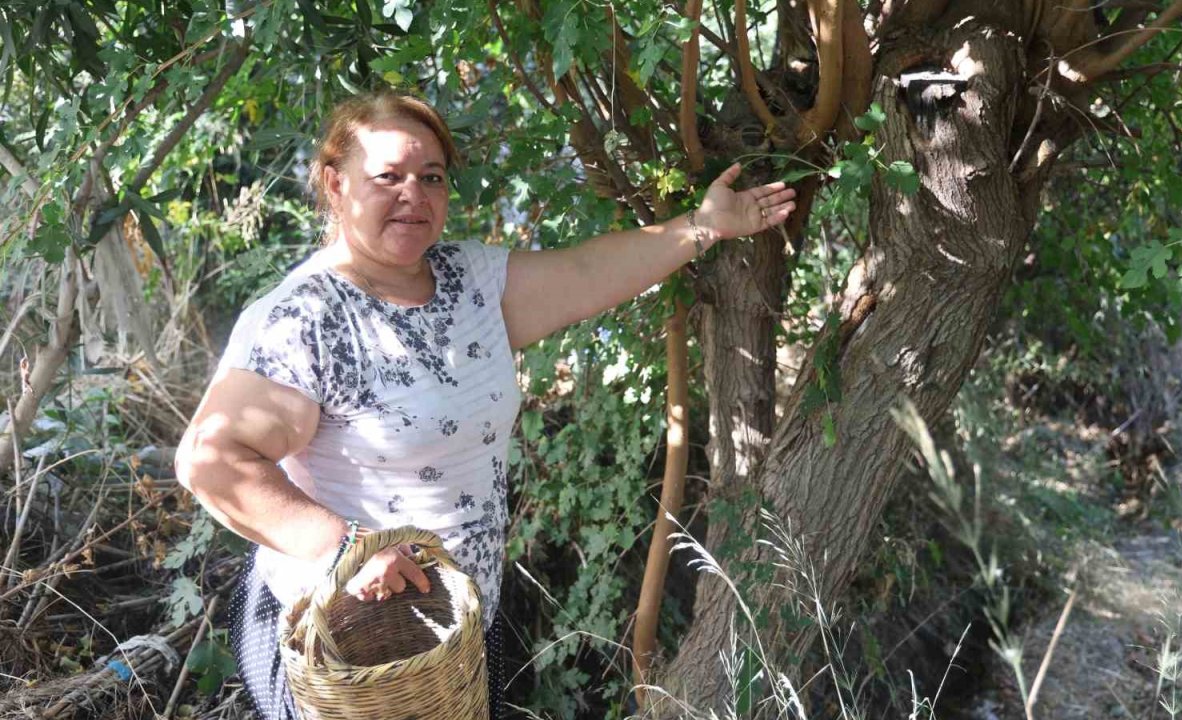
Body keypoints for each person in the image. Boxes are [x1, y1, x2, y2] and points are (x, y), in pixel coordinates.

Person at [174, 91, 795, 719]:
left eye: (431, 177)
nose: (413, 194)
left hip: (459, 630)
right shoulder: (306, 319)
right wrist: (346, 547)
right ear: (336, 185)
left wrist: (704, 225)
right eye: (387, 176)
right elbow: (211, 461)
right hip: (350, 654)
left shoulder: (467, 279)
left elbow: (585, 274)